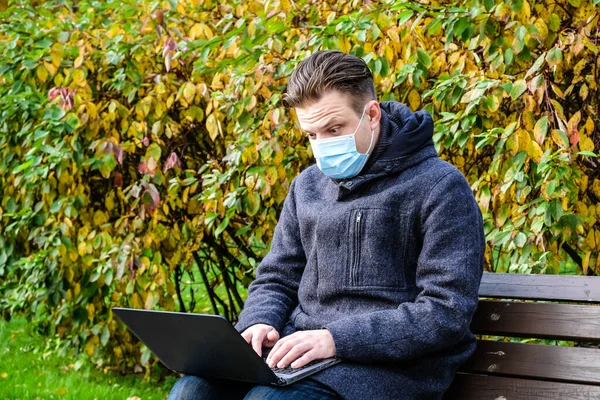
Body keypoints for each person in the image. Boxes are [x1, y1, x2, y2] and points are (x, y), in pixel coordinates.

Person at [168, 50, 485, 400]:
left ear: (372, 115)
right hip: (302, 352)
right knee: (192, 390)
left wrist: (336, 340)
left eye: (334, 129)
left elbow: (444, 312)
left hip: (393, 368)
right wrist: (259, 321)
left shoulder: (439, 187)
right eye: (312, 135)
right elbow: (278, 276)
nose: (323, 146)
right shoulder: (307, 186)